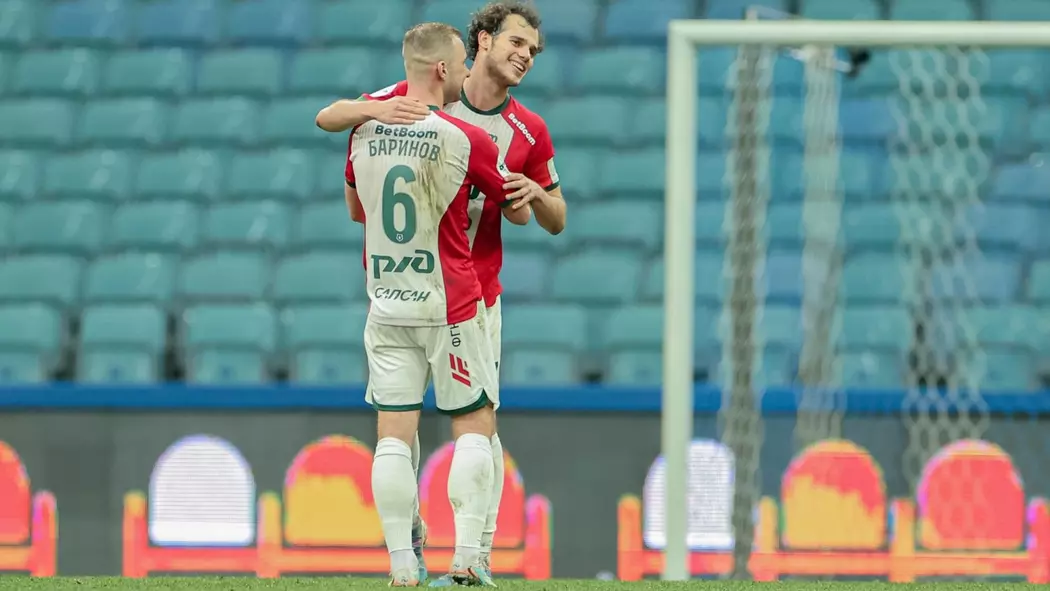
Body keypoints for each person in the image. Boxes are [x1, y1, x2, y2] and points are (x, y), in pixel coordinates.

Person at [318, 3, 566, 584]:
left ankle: (416, 561)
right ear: (478, 45)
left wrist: (534, 194)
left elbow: (551, 215)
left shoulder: (525, 128)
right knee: (476, 424)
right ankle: (466, 555)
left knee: (396, 432)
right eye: (518, 43)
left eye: (533, 50)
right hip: (456, 297)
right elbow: (510, 206)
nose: (526, 56)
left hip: (402, 294)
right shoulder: (439, 120)